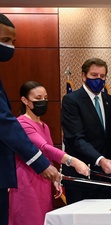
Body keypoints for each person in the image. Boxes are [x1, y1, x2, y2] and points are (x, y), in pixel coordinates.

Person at [0, 13, 59, 225]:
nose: (10, 47)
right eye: (5, 40)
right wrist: (45, 163)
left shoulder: (44, 123)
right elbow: (5, 124)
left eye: (13, 42)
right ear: (25, 100)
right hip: (27, 180)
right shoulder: (24, 121)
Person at [9, 81, 90, 225]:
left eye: (45, 98)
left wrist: (54, 178)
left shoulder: (44, 125)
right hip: (27, 183)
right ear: (24, 100)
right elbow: (44, 148)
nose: (43, 102)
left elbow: (48, 156)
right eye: (38, 98)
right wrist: (73, 161)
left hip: (43, 181)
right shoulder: (21, 123)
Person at [61, 58, 111, 204]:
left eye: (102, 76)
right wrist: (100, 160)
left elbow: (110, 137)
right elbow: (76, 138)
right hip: (82, 175)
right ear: (83, 75)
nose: (98, 79)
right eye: (94, 75)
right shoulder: (71, 100)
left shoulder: (109, 100)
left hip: (106, 177)